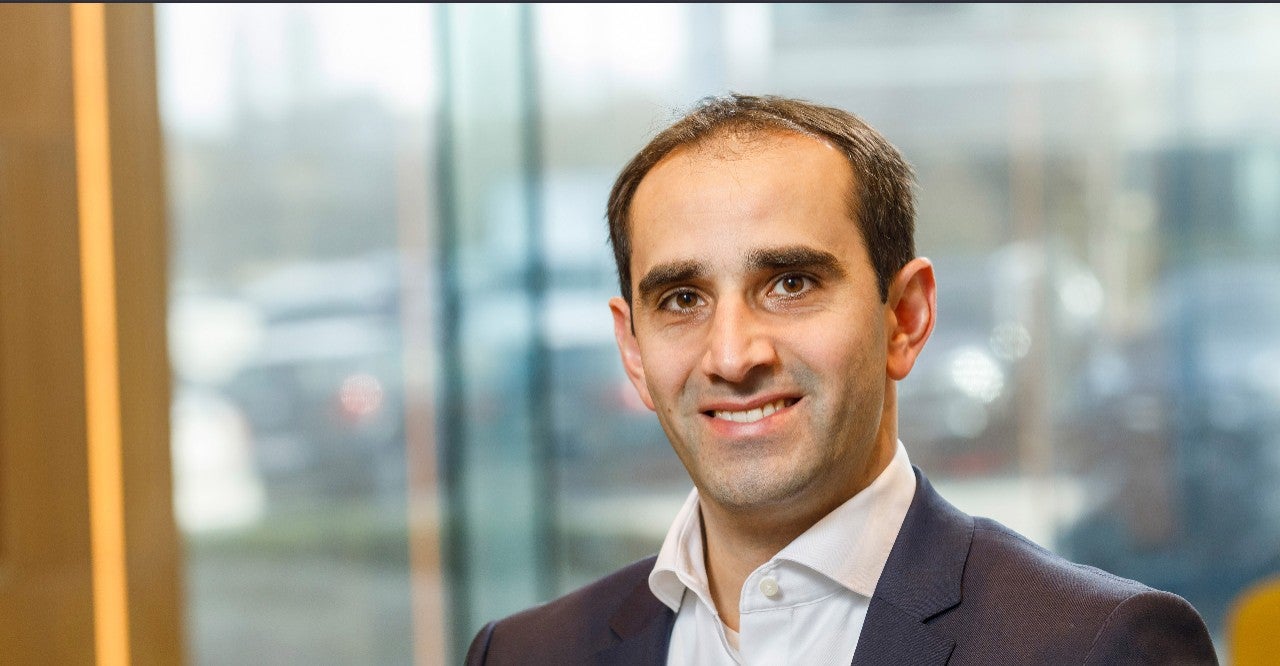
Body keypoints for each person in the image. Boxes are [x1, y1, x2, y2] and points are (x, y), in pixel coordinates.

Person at [465, 94, 1217, 665]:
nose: (732, 355)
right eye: (682, 299)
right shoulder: (524, 654)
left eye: (790, 284)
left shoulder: (1095, 647)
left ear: (905, 318)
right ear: (632, 348)